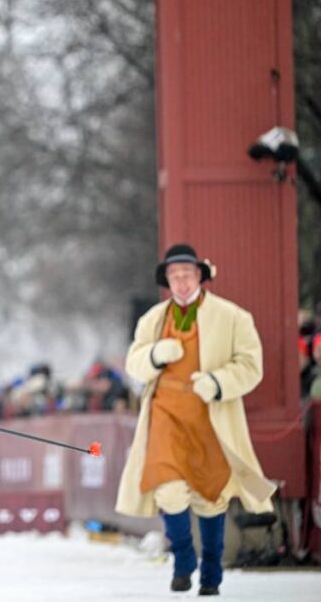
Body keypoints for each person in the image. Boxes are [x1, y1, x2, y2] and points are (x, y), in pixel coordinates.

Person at [115, 244, 276, 596]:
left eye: (187, 274)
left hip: (210, 419)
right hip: (166, 415)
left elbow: (251, 366)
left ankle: (212, 571)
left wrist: (218, 382)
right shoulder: (153, 319)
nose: (182, 282)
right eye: (174, 276)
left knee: (210, 496)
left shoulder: (233, 317)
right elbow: (134, 362)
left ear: (200, 276)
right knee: (168, 491)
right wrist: (154, 355)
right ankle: (184, 557)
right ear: (167, 281)